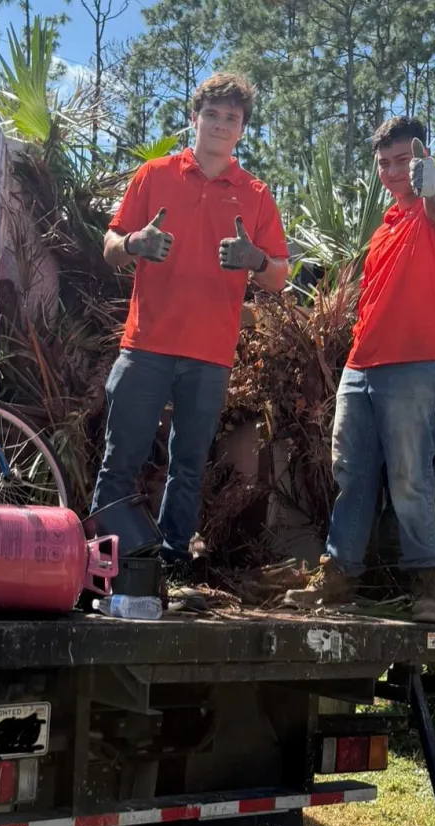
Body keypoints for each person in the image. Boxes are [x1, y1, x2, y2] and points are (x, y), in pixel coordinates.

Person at [90, 72, 290, 574]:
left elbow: (279, 277)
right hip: (146, 346)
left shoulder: (256, 193)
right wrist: (134, 243)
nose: (221, 125)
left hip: (210, 355)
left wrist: (255, 259)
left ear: (242, 129)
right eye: (212, 114)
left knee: (188, 467)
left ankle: (173, 566)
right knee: (120, 461)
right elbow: (110, 246)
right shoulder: (154, 174)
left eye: (232, 118)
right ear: (193, 118)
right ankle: (106, 567)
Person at [292, 116, 435, 623]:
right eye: (384, 163)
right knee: (352, 473)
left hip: (416, 364)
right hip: (360, 365)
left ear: (423, 159)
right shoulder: (384, 228)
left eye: (403, 160)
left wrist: (434, 181)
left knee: (410, 475)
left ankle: (425, 587)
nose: (393, 171)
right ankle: (339, 578)